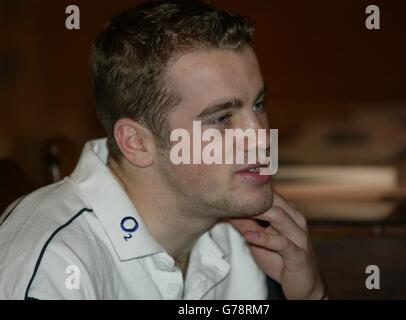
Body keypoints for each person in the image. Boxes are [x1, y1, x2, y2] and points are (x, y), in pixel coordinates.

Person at [0, 0, 326, 300]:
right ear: (136, 142)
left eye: (259, 104)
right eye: (222, 118)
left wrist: (310, 295)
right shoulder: (56, 266)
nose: (259, 136)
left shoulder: (247, 238)